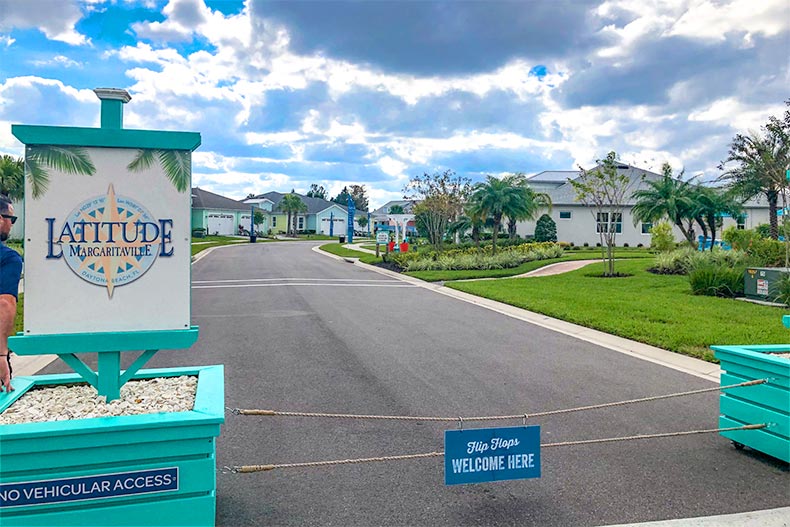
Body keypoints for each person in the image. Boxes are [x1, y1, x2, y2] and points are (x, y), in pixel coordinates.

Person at [0, 195, 22, 393]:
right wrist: (1, 355)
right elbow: (5, 304)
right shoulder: (8, 258)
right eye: (11, 219)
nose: (11, 224)